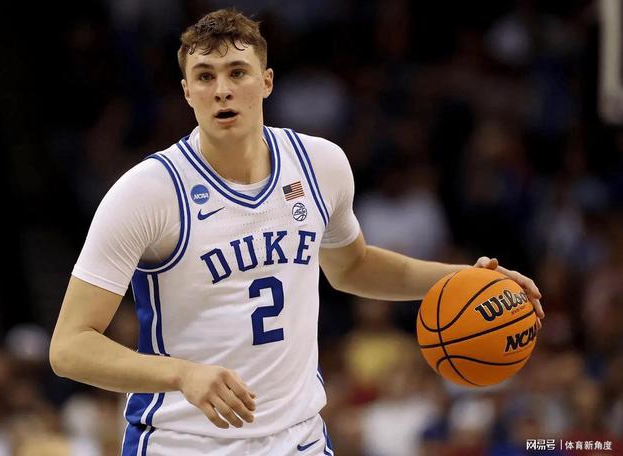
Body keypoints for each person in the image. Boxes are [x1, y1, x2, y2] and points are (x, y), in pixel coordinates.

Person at [49, 8, 545, 456]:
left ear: (266, 82)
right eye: (205, 76)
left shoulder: (319, 165)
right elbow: (69, 346)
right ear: (186, 91)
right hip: (182, 443)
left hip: (298, 440)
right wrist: (181, 374)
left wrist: (465, 280)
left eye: (237, 72)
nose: (221, 89)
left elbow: (352, 266)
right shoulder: (147, 192)